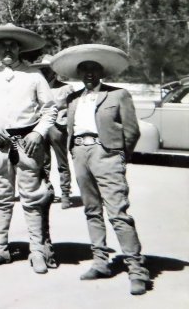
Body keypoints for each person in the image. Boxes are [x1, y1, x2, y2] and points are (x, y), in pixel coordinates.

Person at [51, 44, 151, 296]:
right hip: (81, 155)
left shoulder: (118, 95)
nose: (89, 73)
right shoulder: (73, 99)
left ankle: (137, 269)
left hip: (106, 154)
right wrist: (74, 151)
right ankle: (100, 262)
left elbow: (132, 131)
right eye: (84, 69)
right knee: (91, 210)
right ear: (79, 73)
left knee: (118, 212)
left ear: (102, 72)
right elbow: (67, 127)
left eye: (94, 69)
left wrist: (119, 156)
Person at [0, 23, 57, 274]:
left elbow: (50, 108)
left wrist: (37, 132)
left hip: (28, 144)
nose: (8, 49)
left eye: (12, 45)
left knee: (33, 198)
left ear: (20, 48)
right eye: (3, 45)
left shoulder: (33, 75)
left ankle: (38, 251)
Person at [30, 54, 74, 208]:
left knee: (62, 162)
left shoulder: (65, 88)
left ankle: (66, 194)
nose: (45, 73)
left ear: (54, 72)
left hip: (58, 129)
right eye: (42, 70)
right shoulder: (37, 87)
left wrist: (65, 124)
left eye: (48, 70)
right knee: (43, 162)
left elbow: (72, 110)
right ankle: (46, 192)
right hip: (41, 128)